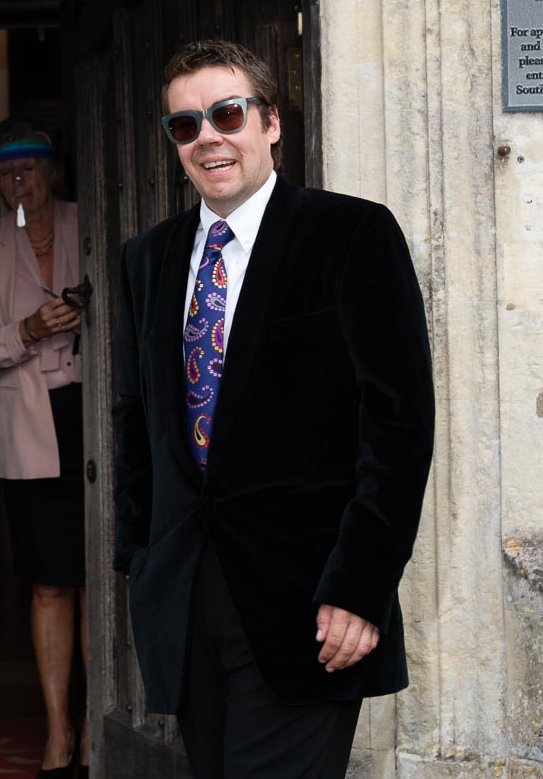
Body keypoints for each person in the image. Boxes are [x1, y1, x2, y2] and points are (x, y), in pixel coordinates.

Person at [112, 40, 435, 779]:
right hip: (188, 602)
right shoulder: (148, 258)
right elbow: (136, 417)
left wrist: (362, 588)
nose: (208, 138)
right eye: (186, 125)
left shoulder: (351, 235)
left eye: (227, 114)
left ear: (271, 123)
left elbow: (400, 425)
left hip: (310, 603)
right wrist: (141, 556)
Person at [0, 122, 87, 778]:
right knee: (51, 581)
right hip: (30, 422)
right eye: (7, 174)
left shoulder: (88, 220)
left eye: (30, 170)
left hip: (93, 411)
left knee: (104, 577)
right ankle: (60, 732)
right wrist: (29, 328)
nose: (20, 183)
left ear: (51, 171)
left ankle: (107, 726)